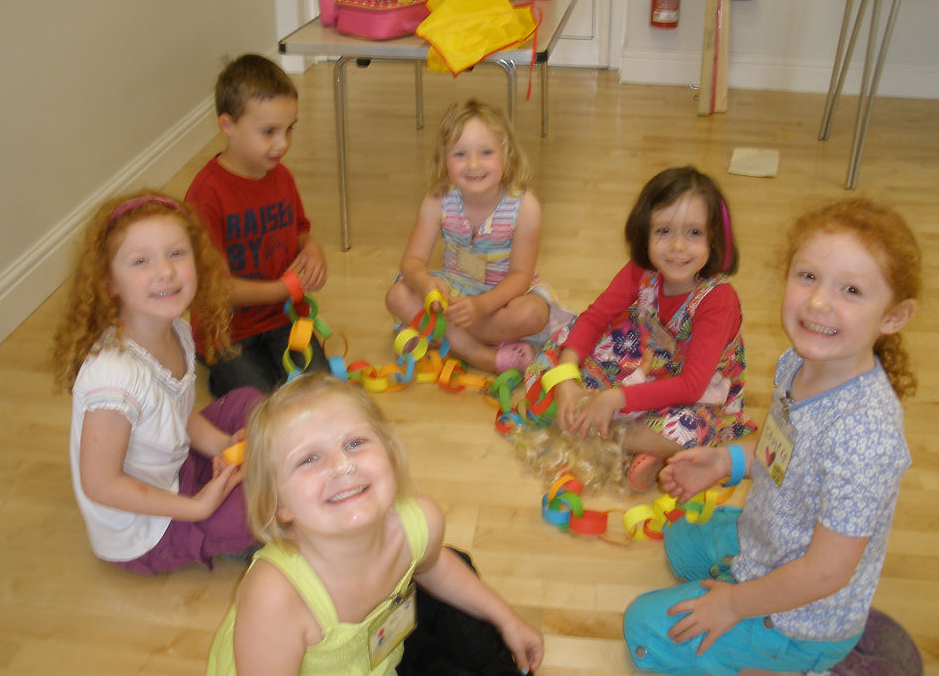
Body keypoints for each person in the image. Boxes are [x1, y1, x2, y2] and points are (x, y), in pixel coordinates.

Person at [623, 198, 921, 676]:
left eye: (851, 289)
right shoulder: (798, 361)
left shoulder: (867, 435)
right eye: (808, 276)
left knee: (643, 627)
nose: (818, 301)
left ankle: (791, 666)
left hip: (801, 618)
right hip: (769, 532)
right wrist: (727, 462)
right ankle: (743, 590)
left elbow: (825, 572)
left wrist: (733, 604)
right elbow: (782, 445)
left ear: (894, 316)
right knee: (680, 542)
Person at [207, 374, 544, 676]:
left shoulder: (419, 522)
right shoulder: (275, 596)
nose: (342, 466)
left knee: (458, 567)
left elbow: (436, 568)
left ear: (390, 455)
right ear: (278, 504)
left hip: (382, 649)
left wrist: (506, 619)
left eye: (354, 443)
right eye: (308, 459)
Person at [51, 191, 260, 574]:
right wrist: (197, 507)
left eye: (176, 253)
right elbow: (101, 485)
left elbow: (176, 410)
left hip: (173, 469)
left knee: (248, 401)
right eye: (141, 261)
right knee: (259, 504)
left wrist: (222, 445)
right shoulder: (113, 379)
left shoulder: (174, 328)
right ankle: (233, 530)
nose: (165, 271)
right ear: (109, 282)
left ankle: (239, 503)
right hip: (146, 531)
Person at [514, 166, 755, 493]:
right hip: (639, 356)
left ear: (716, 238)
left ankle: (617, 433)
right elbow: (595, 317)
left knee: (687, 431)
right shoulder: (641, 269)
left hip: (694, 389)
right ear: (645, 232)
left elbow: (691, 385)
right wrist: (567, 376)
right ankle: (619, 436)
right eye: (664, 231)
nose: (678, 246)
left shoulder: (718, 300)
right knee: (554, 357)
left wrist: (615, 399)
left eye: (694, 233)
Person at [385, 99, 572, 375]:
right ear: (443, 159)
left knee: (534, 313)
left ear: (507, 155)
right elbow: (412, 260)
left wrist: (481, 306)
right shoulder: (437, 200)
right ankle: (483, 355)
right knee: (397, 295)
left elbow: (520, 276)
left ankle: (443, 336)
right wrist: (425, 284)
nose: (473, 164)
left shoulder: (525, 206)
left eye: (486, 152)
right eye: (460, 154)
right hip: (455, 294)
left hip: (503, 299)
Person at [185, 53, 329, 398]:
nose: (282, 143)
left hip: (283, 318)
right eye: (268, 132)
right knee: (260, 402)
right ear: (227, 125)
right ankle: (222, 377)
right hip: (227, 332)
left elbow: (299, 229)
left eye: (289, 129)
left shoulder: (281, 178)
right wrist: (283, 288)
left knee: (322, 389)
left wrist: (312, 248)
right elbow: (215, 287)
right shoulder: (206, 195)